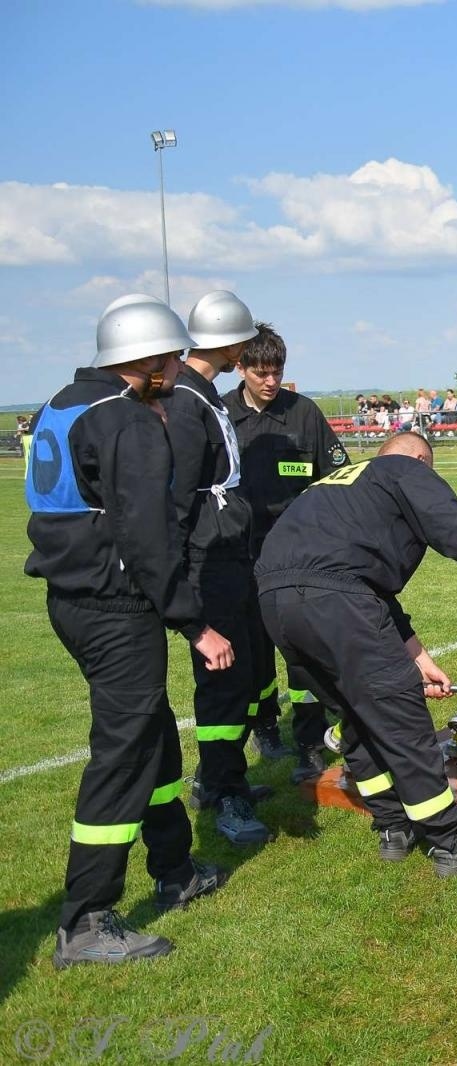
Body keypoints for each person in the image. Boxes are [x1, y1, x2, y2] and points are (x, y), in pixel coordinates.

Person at [27, 296, 233, 967]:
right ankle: (86, 919)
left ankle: (175, 867)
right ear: (142, 360)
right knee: (120, 754)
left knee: (149, 733)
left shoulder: (62, 401)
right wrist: (193, 622)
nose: (176, 370)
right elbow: (147, 534)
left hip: (74, 598)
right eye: (169, 358)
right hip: (115, 606)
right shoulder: (126, 419)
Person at [258, 432, 457, 872]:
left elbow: (366, 589)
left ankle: (392, 824)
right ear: (422, 460)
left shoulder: (336, 485)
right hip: (335, 600)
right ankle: (451, 841)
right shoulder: (405, 468)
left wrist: (420, 661)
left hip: (276, 602)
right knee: (401, 716)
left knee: (356, 712)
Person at [223, 322, 349, 781]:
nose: (271, 381)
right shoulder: (220, 416)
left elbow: (338, 478)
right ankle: (264, 727)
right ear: (240, 369)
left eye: (277, 371)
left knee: (304, 651)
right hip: (240, 554)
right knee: (254, 652)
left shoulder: (304, 414)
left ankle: (311, 740)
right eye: (260, 372)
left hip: (298, 557)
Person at [168, 291, 268, 844]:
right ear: (229, 342)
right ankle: (221, 792)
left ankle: (228, 775)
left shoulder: (200, 392)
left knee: (247, 672)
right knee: (224, 682)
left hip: (230, 551)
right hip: (208, 557)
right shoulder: (186, 400)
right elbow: (180, 496)